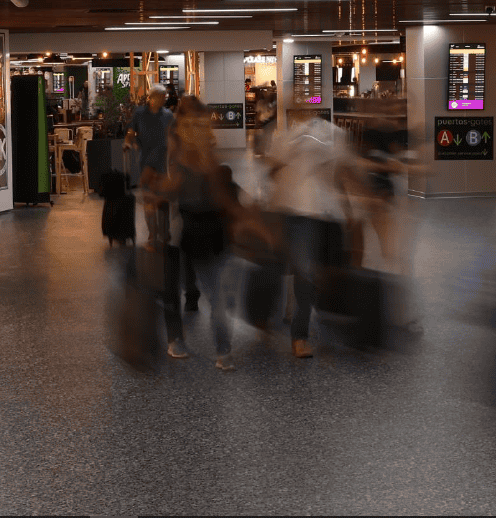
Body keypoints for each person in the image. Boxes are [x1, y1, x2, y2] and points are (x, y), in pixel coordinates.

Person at [147, 96, 256, 370]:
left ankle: (217, 348)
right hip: (181, 228)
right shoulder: (174, 147)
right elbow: (162, 185)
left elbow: (216, 187)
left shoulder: (200, 148)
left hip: (196, 229)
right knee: (182, 288)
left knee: (204, 291)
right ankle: (190, 343)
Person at [264, 104, 355, 359]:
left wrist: (345, 205)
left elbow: (338, 174)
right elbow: (272, 172)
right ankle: (299, 335)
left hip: (317, 212)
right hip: (300, 213)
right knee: (303, 272)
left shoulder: (325, 135)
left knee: (308, 271)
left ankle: (296, 318)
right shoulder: (289, 138)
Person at [125, 84, 174, 189]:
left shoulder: (168, 114)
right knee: (148, 188)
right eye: (160, 97)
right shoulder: (140, 113)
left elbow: (172, 135)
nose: (163, 100)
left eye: (164, 97)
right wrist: (128, 142)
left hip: (162, 157)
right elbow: (131, 131)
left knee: (162, 191)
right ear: (151, 97)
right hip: (146, 156)